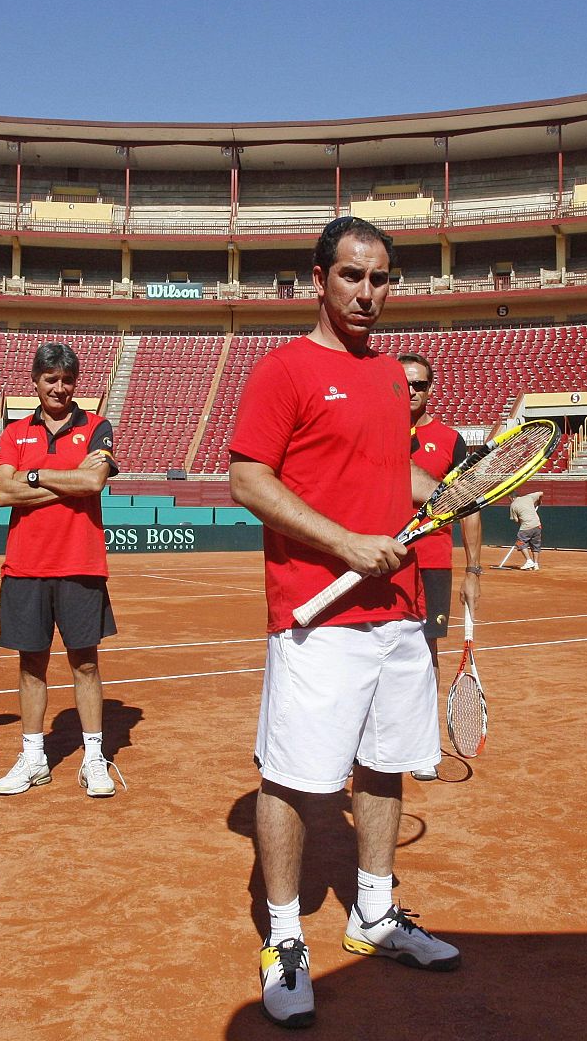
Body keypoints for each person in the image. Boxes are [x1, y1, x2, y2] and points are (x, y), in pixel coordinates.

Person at [230, 217, 460, 1030]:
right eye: (355, 277)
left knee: (386, 765)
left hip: (396, 613)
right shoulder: (283, 370)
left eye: (383, 278)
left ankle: (374, 912)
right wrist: (342, 544)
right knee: (295, 777)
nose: (370, 293)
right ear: (320, 278)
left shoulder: (394, 377)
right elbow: (248, 480)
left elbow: (379, 469)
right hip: (314, 615)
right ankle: (286, 938)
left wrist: (439, 493)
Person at [0, 343, 122, 799]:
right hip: (24, 567)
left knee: (85, 663)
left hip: (80, 564)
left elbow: (93, 482)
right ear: (35, 381)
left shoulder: (97, 426)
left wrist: (31, 476)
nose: (59, 388)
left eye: (67, 380)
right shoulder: (14, 431)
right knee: (31, 665)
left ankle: (93, 756)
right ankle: (33, 757)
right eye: (50, 379)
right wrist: (62, 479)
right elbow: (3, 495)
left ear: (75, 383)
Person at [398, 352, 483, 782]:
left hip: (431, 562)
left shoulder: (450, 440)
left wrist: (473, 570)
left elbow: (468, 506)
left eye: (420, 385)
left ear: (432, 389)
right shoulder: (372, 431)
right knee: (369, 650)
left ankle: (424, 746)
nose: (413, 391)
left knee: (423, 654)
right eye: (406, 384)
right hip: (381, 560)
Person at [504, 488, 544, 570]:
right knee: (535, 545)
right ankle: (536, 564)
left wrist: (521, 523)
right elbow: (541, 493)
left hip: (526, 526)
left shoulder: (513, 505)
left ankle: (529, 561)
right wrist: (539, 501)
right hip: (537, 525)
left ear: (511, 497)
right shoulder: (528, 497)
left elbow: (516, 520)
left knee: (520, 543)